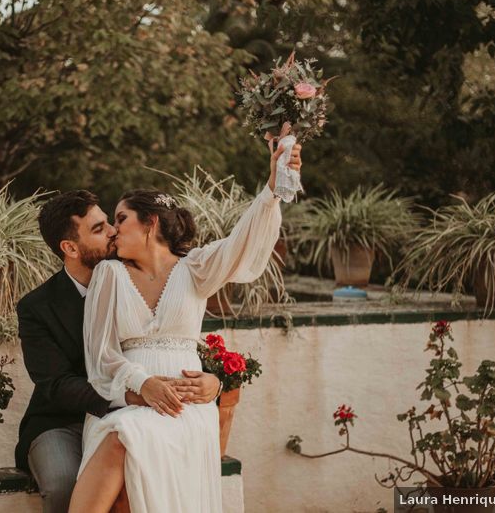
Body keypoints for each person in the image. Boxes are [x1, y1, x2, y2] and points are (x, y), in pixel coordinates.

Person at [68, 124, 302, 513]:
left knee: (130, 481)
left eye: (121, 219)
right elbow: (100, 356)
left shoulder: (196, 268)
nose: (113, 231)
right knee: (122, 438)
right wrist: (144, 384)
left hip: (186, 411)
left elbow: (240, 245)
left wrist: (271, 190)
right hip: (130, 403)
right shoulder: (108, 274)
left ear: (151, 223)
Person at [16, 190, 222, 513]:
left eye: (111, 223)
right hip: (62, 421)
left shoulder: (129, 272)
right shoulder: (37, 307)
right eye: (99, 229)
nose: (113, 231)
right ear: (70, 248)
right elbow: (56, 385)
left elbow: (174, 339)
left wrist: (214, 383)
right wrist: (133, 395)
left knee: (136, 481)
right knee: (64, 483)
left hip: (138, 413)